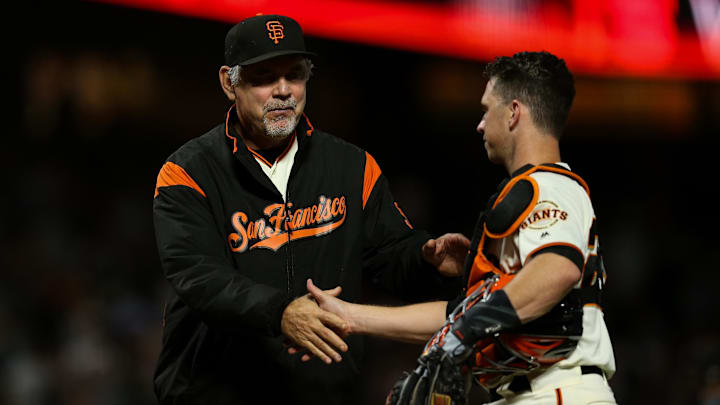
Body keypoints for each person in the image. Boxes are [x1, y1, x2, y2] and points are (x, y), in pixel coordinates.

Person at [151, 14, 467, 405]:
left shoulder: (352, 167)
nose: (284, 91)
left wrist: (425, 260)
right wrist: (280, 312)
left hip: (323, 393)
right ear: (228, 83)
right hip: (216, 392)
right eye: (265, 77)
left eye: (295, 75)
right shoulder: (188, 172)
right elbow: (199, 277)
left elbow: (387, 258)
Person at [307, 51, 617, 404]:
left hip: (558, 391)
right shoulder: (538, 195)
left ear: (514, 112)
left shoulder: (548, 184)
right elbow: (459, 315)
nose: (480, 124)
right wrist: (350, 316)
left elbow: (557, 269)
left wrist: (466, 331)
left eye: (487, 109)